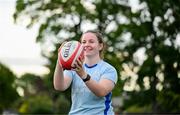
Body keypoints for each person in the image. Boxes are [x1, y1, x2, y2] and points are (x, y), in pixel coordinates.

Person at [53, 30, 118, 115]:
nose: (86, 44)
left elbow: (101, 92)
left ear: (100, 46)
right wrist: (60, 60)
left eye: (91, 41)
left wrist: (83, 75)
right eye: (83, 42)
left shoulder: (108, 69)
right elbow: (59, 87)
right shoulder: (73, 67)